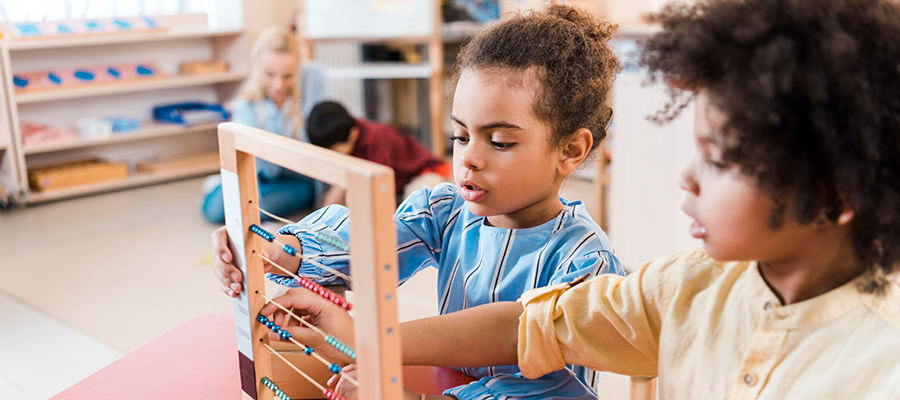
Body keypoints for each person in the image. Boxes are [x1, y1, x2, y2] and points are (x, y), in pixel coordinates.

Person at [262, 0, 900, 399]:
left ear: (831, 192)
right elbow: (532, 325)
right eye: (461, 136)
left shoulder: (878, 365)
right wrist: (291, 257)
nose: (687, 177)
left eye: (721, 159)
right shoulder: (687, 288)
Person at [213, 4, 624, 399]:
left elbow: (526, 340)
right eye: (460, 136)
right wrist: (279, 251)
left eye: (499, 142)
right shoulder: (445, 211)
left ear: (570, 151)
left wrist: (374, 350)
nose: (468, 159)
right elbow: (368, 242)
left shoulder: (587, 263)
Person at [201, 26, 333, 223]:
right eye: (269, 74)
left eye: (288, 76)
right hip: (265, 176)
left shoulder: (314, 78)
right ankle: (219, 186)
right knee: (217, 210)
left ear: (298, 68)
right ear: (258, 68)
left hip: (302, 177)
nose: (278, 85)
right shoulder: (245, 106)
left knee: (255, 208)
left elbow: (329, 133)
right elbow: (250, 165)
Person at [306, 101, 451, 206]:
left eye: (335, 152)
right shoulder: (341, 136)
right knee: (344, 199)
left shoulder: (375, 139)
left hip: (421, 172)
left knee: (419, 201)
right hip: (394, 182)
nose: (334, 157)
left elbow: (381, 187)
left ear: (353, 135)